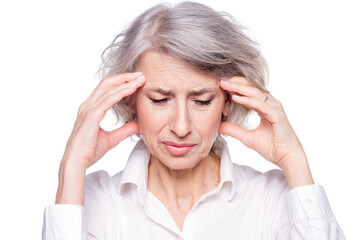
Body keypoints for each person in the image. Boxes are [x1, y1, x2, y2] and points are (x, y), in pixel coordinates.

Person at [42, 1, 346, 239]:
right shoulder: (93, 200)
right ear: (130, 99)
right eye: (160, 99)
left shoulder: (273, 198)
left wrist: (294, 160)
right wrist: (72, 168)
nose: (182, 126)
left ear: (228, 100)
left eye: (202, 100)